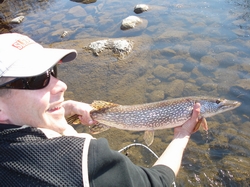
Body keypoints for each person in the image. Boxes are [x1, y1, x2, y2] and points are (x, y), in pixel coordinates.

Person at [0, 33, 201, 187]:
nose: (61, 85)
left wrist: (65, 107)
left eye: (53, 71)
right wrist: (182, 134)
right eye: (37, 79)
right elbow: (157, 181)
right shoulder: (83, 161)